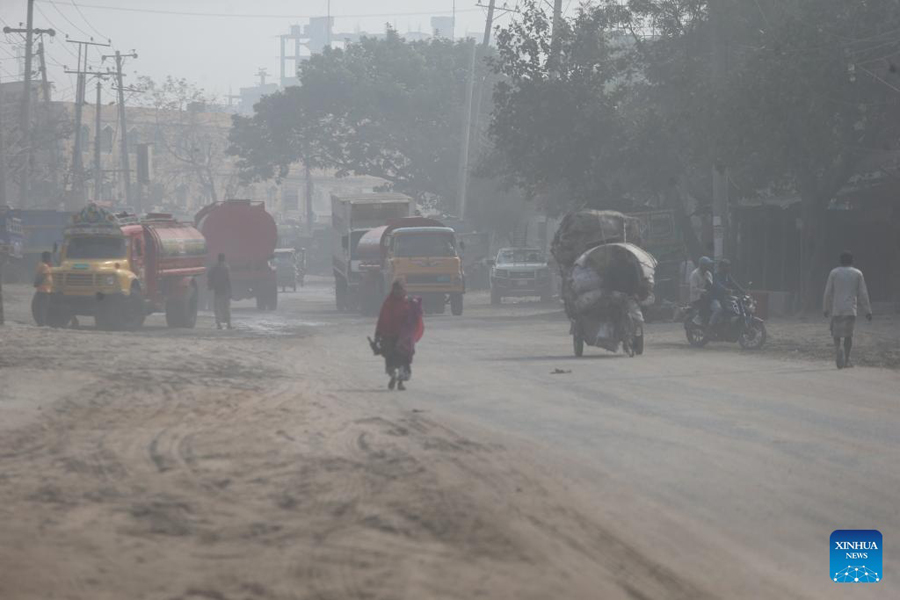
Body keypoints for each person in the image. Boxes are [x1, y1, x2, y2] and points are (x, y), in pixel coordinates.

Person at [823, 251, 872, 369]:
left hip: (837, 309)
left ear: (840, 261)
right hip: (850, 309)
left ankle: (838, 349)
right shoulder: (857, 273)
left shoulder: (834, 272)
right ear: (852, 261)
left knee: (836, 334)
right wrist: (867, 311)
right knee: (848, 335)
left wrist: (826, 308)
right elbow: (863, 293)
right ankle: (847, 360)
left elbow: (828, 291)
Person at [375, 280, 424, 391]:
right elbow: (382, 320)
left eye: (400, 289)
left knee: (404, 361)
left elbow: (415, 318)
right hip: (389, 336)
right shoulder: (388, 303)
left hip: (404, 338)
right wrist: (378, 335)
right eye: (396, 290)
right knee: (391, 359)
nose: (398, 292)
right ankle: (393, 377)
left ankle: (400, 382)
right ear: (393, 290)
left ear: (404, 290)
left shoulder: (409, 303)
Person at [709, 259, 745, 328]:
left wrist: (743, 291)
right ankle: (710, 327)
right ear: (720, 267)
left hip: (724, 297)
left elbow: (734, 284)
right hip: (715, 298)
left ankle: (728, 324)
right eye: (726, 266)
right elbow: (718, 285)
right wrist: (726, 290)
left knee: (736, 304)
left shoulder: (727, 276)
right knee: (718, 309)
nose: (728, 268)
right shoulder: (715, 276)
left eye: (729, 266)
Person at [207, 253, 232, 330]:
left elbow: (209, 275)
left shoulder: (215, 267)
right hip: (225, 290)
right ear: (224, 259)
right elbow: (228, 280)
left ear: (218, 259)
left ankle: (219, 324)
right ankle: (228, 324)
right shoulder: (226, 267)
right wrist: (230, 291)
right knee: (226, 307)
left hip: (217, 290)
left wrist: (210, 285)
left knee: (217, 307)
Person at [689, 256, 714, 325]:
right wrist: (704, 291)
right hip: (697, 297)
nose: (709, 266)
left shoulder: (708, 274)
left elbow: (711, 286)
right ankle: (700, 317)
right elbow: (693, 289)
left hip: (707, 296)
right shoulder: (694, 274)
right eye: (707, 265)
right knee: (705, 300)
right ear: (702, 265)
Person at [31, 251, 53, 326]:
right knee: (43, 308)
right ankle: (42, 323)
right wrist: (37, 283)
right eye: (49, 257)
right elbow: (42, 276)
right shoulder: (44, 266)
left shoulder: (42, 265)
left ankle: (41, 322)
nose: (50, 259)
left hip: (42, 290)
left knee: (39, 307)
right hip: (44, 291)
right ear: (46, 258)